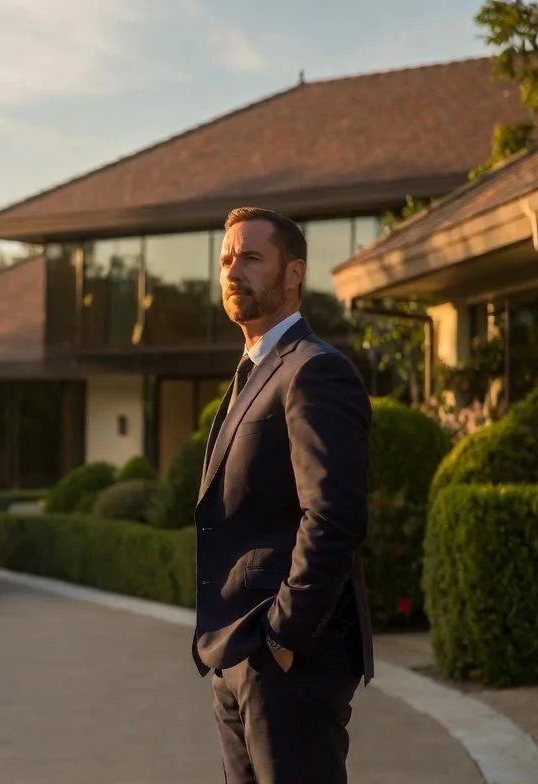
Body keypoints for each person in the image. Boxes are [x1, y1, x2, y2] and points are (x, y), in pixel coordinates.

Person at [192, 207, 374, 783]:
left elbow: (334, 516)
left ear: (294, 273)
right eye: (226, 259)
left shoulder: (314, 370)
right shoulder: (252, 369)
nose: (233, 271)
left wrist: (283, 635)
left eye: (251, 258)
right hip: (237, 653)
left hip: (288, 662)